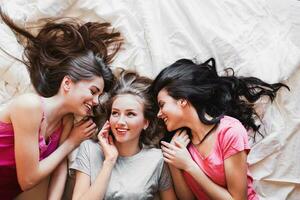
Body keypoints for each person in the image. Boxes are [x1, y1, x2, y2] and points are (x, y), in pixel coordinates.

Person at [0, 10, 122, 200]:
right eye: (93, 91)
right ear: (67, 83)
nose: (96, 101)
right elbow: (28, 179)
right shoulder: (29, 106)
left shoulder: (65, 123)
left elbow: (59, 168)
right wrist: (71, 143)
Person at [150, 58, 289, 200]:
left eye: (162, 105)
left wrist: (189, 166)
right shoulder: (183, 145)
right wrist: (174, 161)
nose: (159, 114)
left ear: (182, 100)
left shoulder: (229, 131)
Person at [71, 70, 177, 200]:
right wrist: (109, 161)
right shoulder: (89, 149)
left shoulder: (157, 159)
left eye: (130, 114)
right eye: (115, 113)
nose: (120, 122)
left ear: (145, 122)